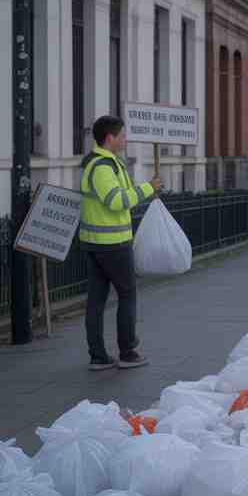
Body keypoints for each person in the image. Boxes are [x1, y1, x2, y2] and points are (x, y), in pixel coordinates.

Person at [79, 114, 161, 371]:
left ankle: (98, 356)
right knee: (127, 294)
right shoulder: (102, 167)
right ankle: (127, 352)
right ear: (109, 138)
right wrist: (148, 188)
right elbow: (117, 201)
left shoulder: (104, 163)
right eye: (122, 135)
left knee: (96, 300)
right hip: (111, 243)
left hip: (97, 242)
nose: (125, 139)